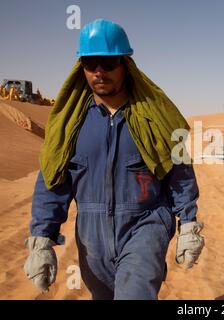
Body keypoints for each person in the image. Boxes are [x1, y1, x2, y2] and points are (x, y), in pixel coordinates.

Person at [23, 19, 204, 300]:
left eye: (108, 63)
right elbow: (52, 179)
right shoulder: (71, 125)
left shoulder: (153, 118)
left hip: (146, 225)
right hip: (92, 238)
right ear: (81, 67)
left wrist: (189, 223)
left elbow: (179, 171)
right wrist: (41, 240)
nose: (99, 72)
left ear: (125, 65)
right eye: (90, 63)